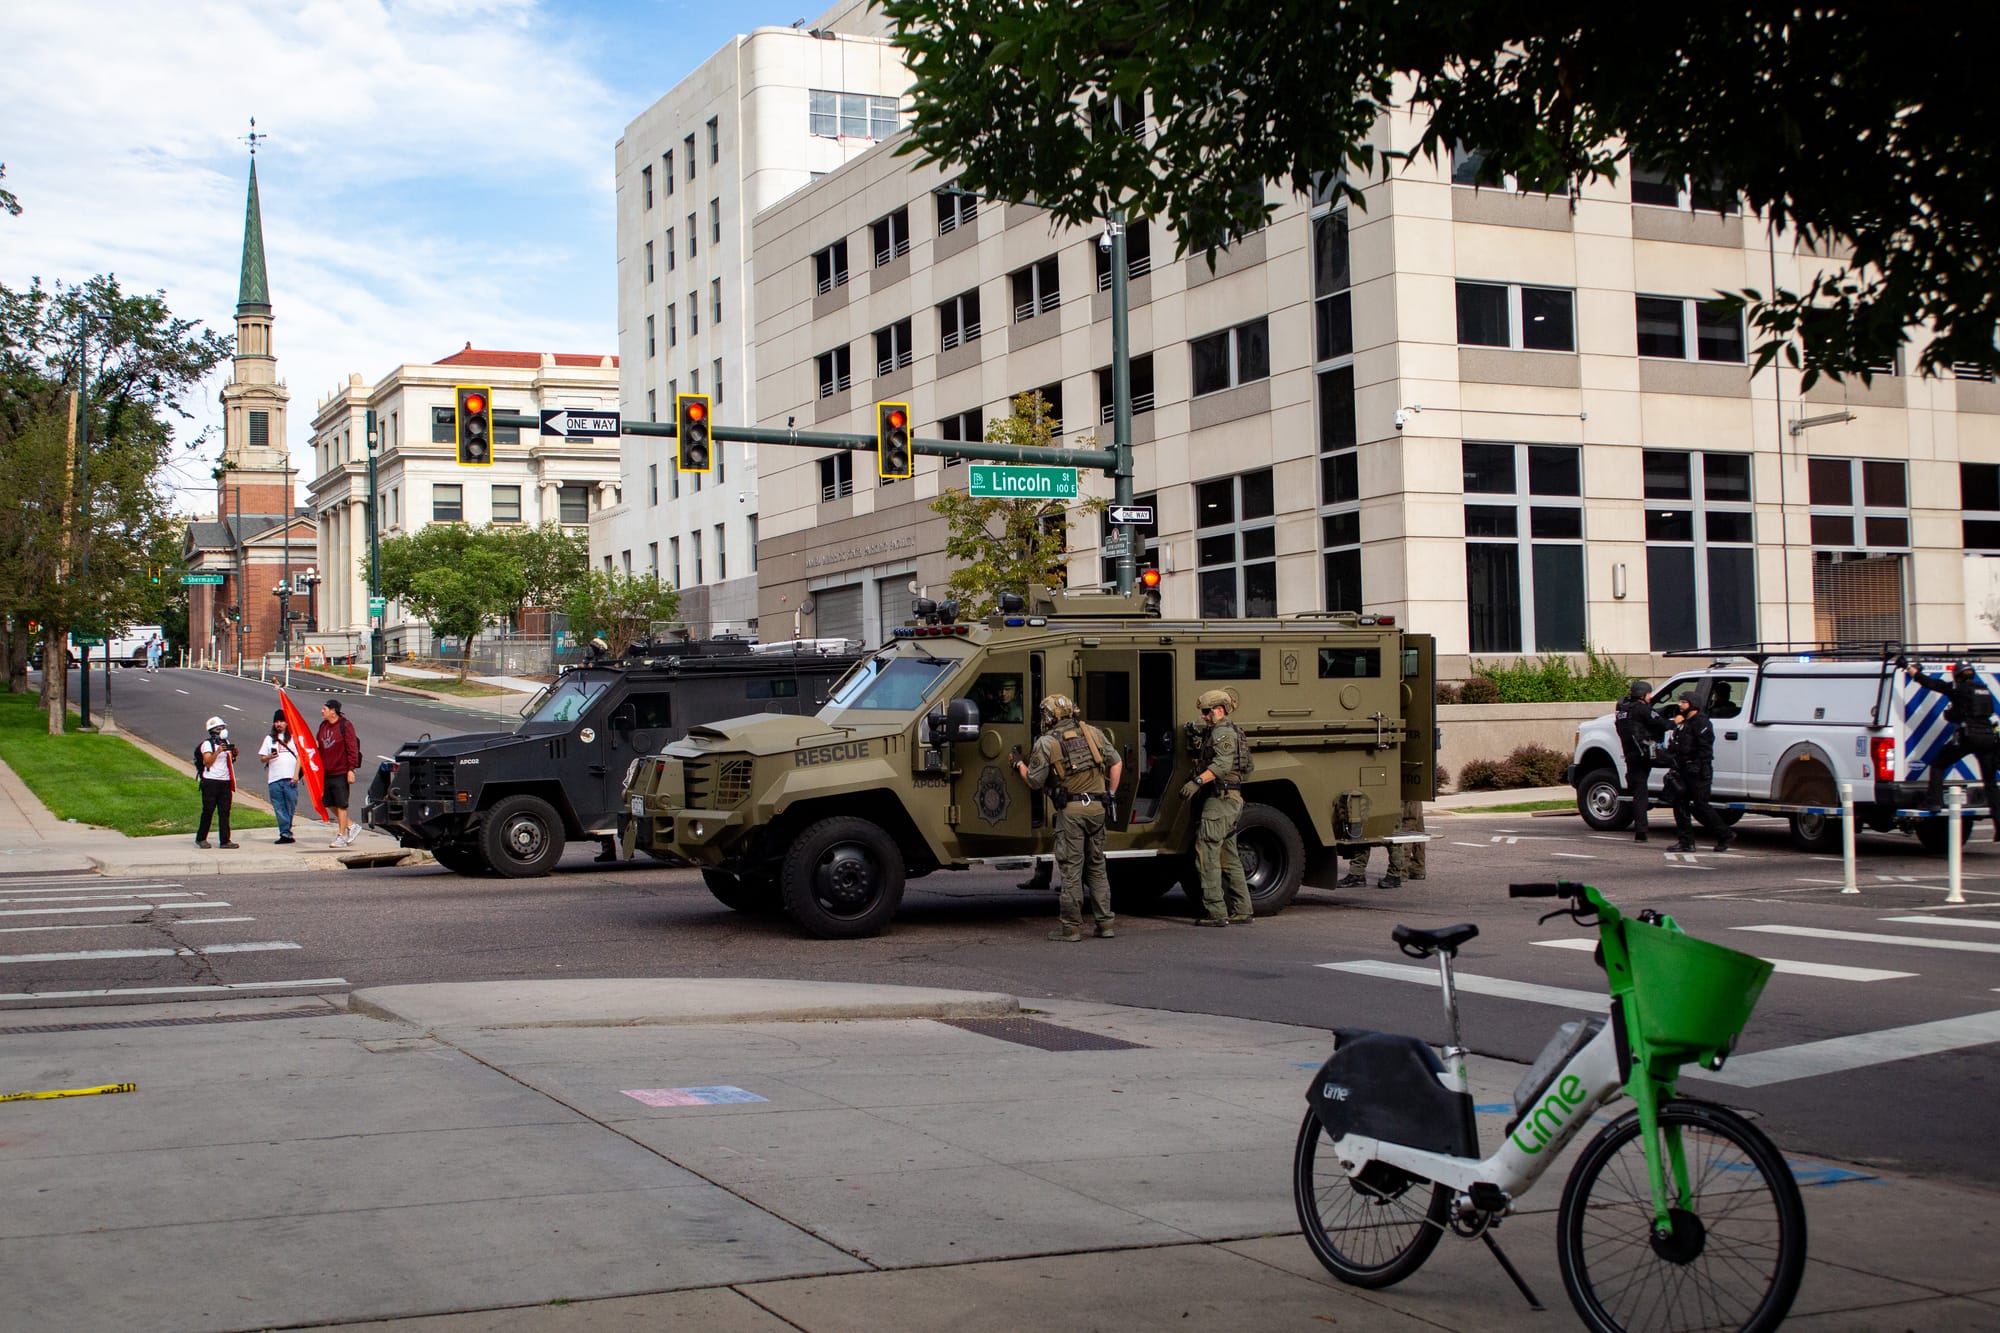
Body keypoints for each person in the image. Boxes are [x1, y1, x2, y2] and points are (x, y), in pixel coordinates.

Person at [1014, 693, 1122, 941]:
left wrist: (1018, 764)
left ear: (1050, 717)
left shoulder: (1047, 742)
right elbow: (1116, 763)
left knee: (1072, 870)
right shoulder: (1093, 733)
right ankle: (1105, 924)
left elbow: (1034, 781)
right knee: (1097, 868)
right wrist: (1111, 794)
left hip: (1071, 812)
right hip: (1097, 809)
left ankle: (1071, 928)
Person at [1180, 689, 1254, 925]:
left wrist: (1197, 781)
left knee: (1207, 854)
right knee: (1229, 856)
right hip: (1230, 800)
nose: (1203, 716)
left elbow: (1221, 765)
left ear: (1219, 711)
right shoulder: (1227, 731)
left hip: (1219, 800)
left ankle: (1216, 912)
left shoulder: (1223, 733)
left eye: (1205, 712)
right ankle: (1243, 909)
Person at [1904, 661, 2000, 837]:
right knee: (1991, 784)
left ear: (1958, 676)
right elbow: (1975, 711)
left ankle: (1934, 802)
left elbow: (1932, 684)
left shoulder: (1958, 688)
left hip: (1970, 737)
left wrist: (1911, 670)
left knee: (1938, 764)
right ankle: (1999, 826)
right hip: (1989, 738)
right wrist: (1952, 714)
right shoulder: (1984, 690)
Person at [1668, 695, 1733, 853]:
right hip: (1682, 769)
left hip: (1698, 771)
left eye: (1684, 702)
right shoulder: (1683, 723)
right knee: (1679, 804)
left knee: (1701, 806)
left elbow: (1705, 749)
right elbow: (1676, 745)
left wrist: (1697, 765)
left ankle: (1725, 834)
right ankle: (1686, 842)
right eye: (1680, 702)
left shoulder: (1702, 722)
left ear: (1693, 705)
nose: (1680, 705)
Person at [1615, 680, 1672, 842]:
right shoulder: (1642, 709)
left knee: (1640, 793)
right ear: (1643, 695)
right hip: (1647, 752)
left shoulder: (1622, 709)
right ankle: (1669, 794)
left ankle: (1641, 831)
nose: (1650, 696)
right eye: (1649, 694)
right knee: (1678, 763)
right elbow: (1662, 723)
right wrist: (1678, 721)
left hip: (1631, 754)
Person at [1336, 799, 1428, 889]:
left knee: (1393, 833)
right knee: (1364, 830)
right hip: (1387, 794)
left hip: (1393, 795)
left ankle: (1397, 874)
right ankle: (1358, 873)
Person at [316, 699, 363, 847]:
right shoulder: (323, 726)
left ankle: (341, 836)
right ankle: (351, 825)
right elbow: (319, 745)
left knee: (341, 804)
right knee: (328, 803)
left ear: (333, 711)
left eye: (324, 709)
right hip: (326, 771)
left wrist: (351, 769)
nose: (322, 711)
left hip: (341, 771)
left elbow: (352, 748)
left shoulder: (345, 725)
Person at [194, 716, 240, 850]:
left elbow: (230, 761)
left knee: (224, 811)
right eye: (220, 729)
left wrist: (234, 754)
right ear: (213, 731)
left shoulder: (226, 742)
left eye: (223, 728)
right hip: (211, 781)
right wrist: (218, 751)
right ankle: (201, 838)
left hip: (224, 781)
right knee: (208, 810)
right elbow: (207, 762)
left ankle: (225, 840)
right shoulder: (207, 745)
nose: (223, 731)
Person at [258, 709, 301, 845]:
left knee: (290, 806)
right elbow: (262, 758)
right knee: (279, 807)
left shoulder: (294, 738)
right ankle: (285, 833)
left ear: (287, 723)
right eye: (276, 721)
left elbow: (300, 757)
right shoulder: (269, 739)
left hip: (290, 778)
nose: (279, 724)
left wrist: (295, 775)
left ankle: (286, 831)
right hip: (274, 779)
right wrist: (270, 756)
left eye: (281, 721)